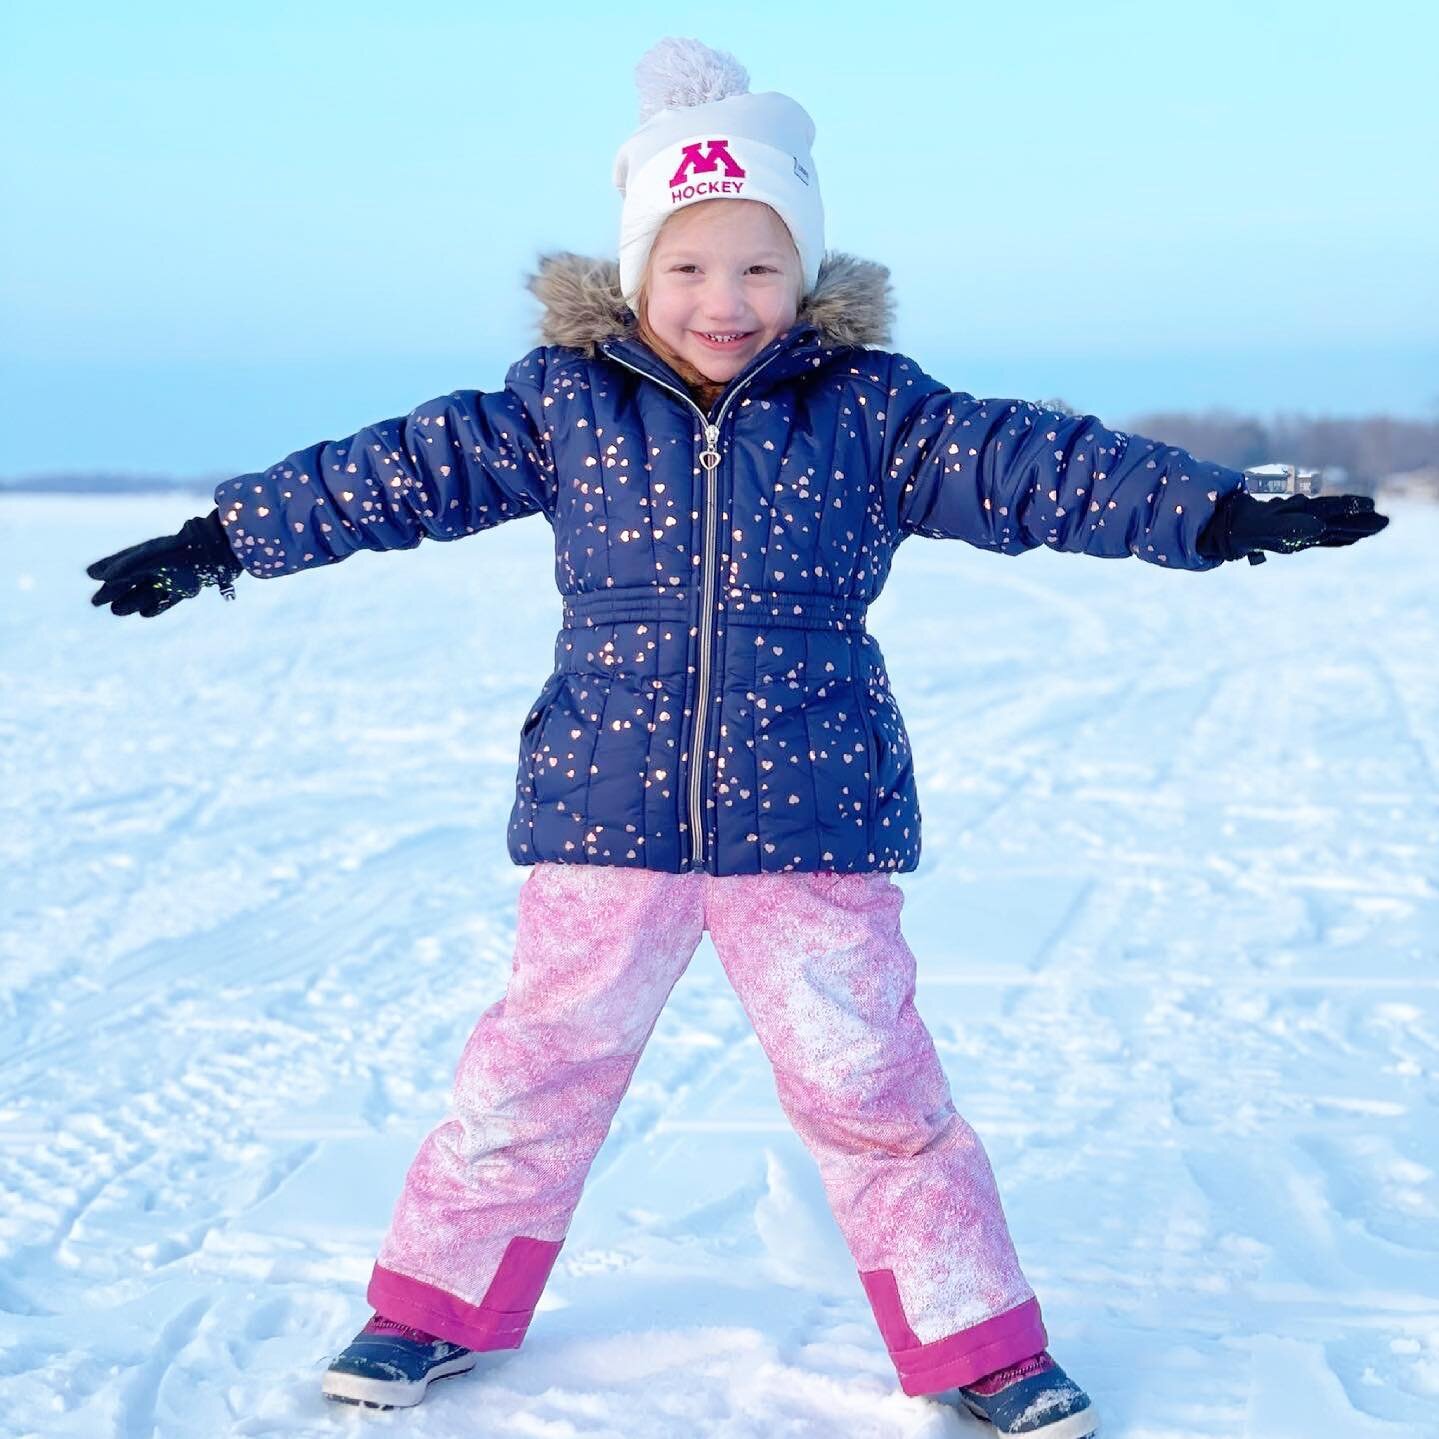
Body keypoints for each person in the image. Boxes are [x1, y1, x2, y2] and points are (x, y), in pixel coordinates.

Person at [86, 37, 1387, 1438]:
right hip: (605, 817)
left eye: (760, 267)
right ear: (638, 272)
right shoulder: (562, 407)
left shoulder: (869, 413)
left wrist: (1211, 510)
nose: (725, 300)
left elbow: (1036, 465)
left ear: (806, 274)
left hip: (809, 818)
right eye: (691, 266)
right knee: (534, 1073)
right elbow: (398, 471)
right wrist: (227, 536)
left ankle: (975, 1339)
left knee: (874, 1089)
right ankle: (432, 1310)